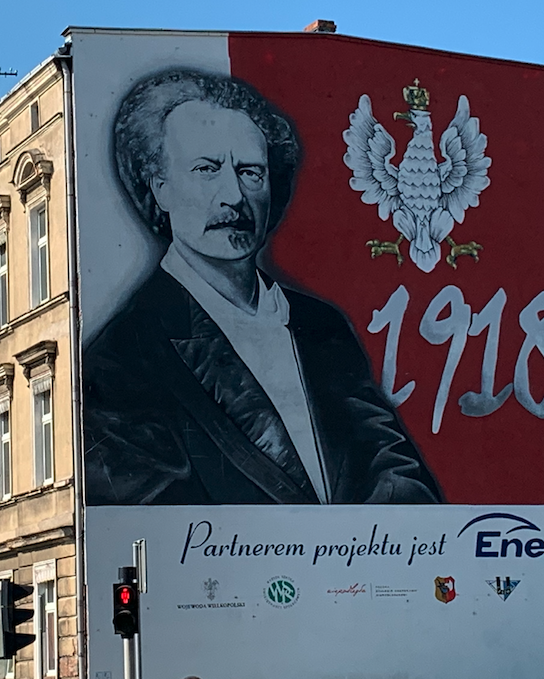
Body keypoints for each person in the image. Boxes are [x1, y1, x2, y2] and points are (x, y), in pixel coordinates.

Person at [84, 67, 444, 506]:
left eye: (251, 173)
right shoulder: (122, 357)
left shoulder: (319, 325)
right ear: (159, 188)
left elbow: (392, 465)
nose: (233, 196)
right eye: (206, 169)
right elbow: (155, 514)